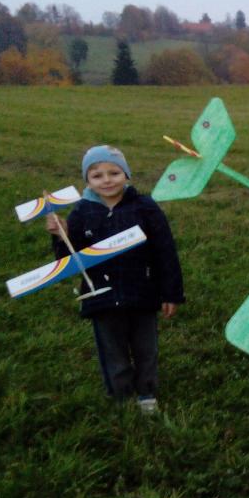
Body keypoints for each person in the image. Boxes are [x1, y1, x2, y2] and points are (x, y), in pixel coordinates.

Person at [47, 145, 184, 414]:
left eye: (114, 172)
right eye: (97, 175)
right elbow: (68, 259)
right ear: (87, 180)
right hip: (102, 296)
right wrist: (61, 235)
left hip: (142, 291)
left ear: (126, 174)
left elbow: (165, 251)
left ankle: (146, 392)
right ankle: (121, 394)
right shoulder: (81, 212)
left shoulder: (145, 207)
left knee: (146, 348)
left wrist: (171, 293)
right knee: (113, 350)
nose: (107, 180)